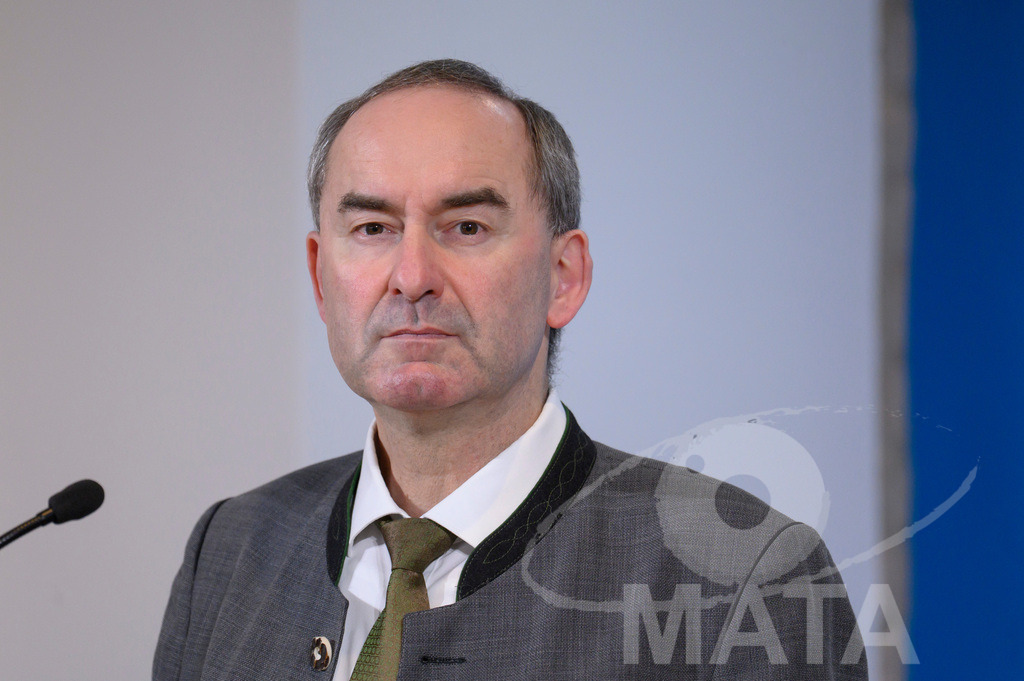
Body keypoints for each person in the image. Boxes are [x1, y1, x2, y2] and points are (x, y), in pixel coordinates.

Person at [154, 59, 866, 681]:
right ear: (319, 278)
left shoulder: (741, 576)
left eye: (466, 226)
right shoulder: (232, 548)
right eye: (372, 228)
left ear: (564, 276)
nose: (410, 276)